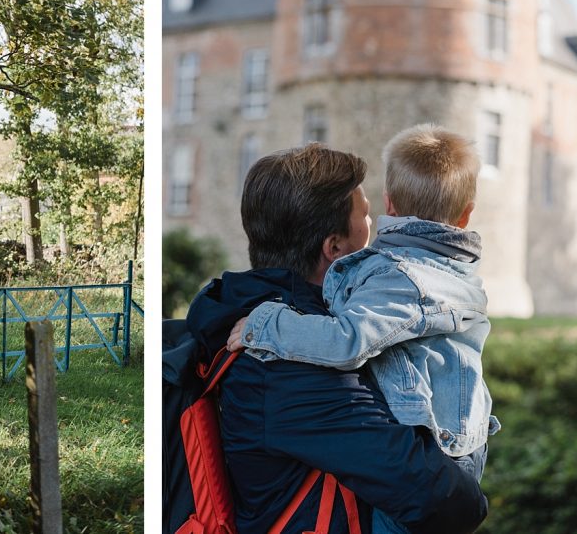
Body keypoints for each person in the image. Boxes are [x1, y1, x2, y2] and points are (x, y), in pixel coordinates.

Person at [185, 142, 488, 534]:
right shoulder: (288, 362)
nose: (377, 227)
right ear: (334, 247)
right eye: (365, 216)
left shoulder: (278, 319)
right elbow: (443, 499)